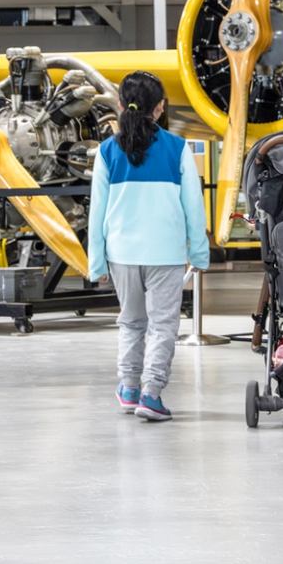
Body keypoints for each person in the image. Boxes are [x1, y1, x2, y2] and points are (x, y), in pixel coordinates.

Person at [88, 70, 210, 422]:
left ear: (121, 105)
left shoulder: (107, 151)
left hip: (121, 255)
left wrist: (96, 263)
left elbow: (97, 212)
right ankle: (151, 393)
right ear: (160, 108)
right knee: (162, 326)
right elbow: (193, 206)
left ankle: (127, 388)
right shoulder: (177, 148)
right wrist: (199, 253)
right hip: (166, 254)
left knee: (131, 323)